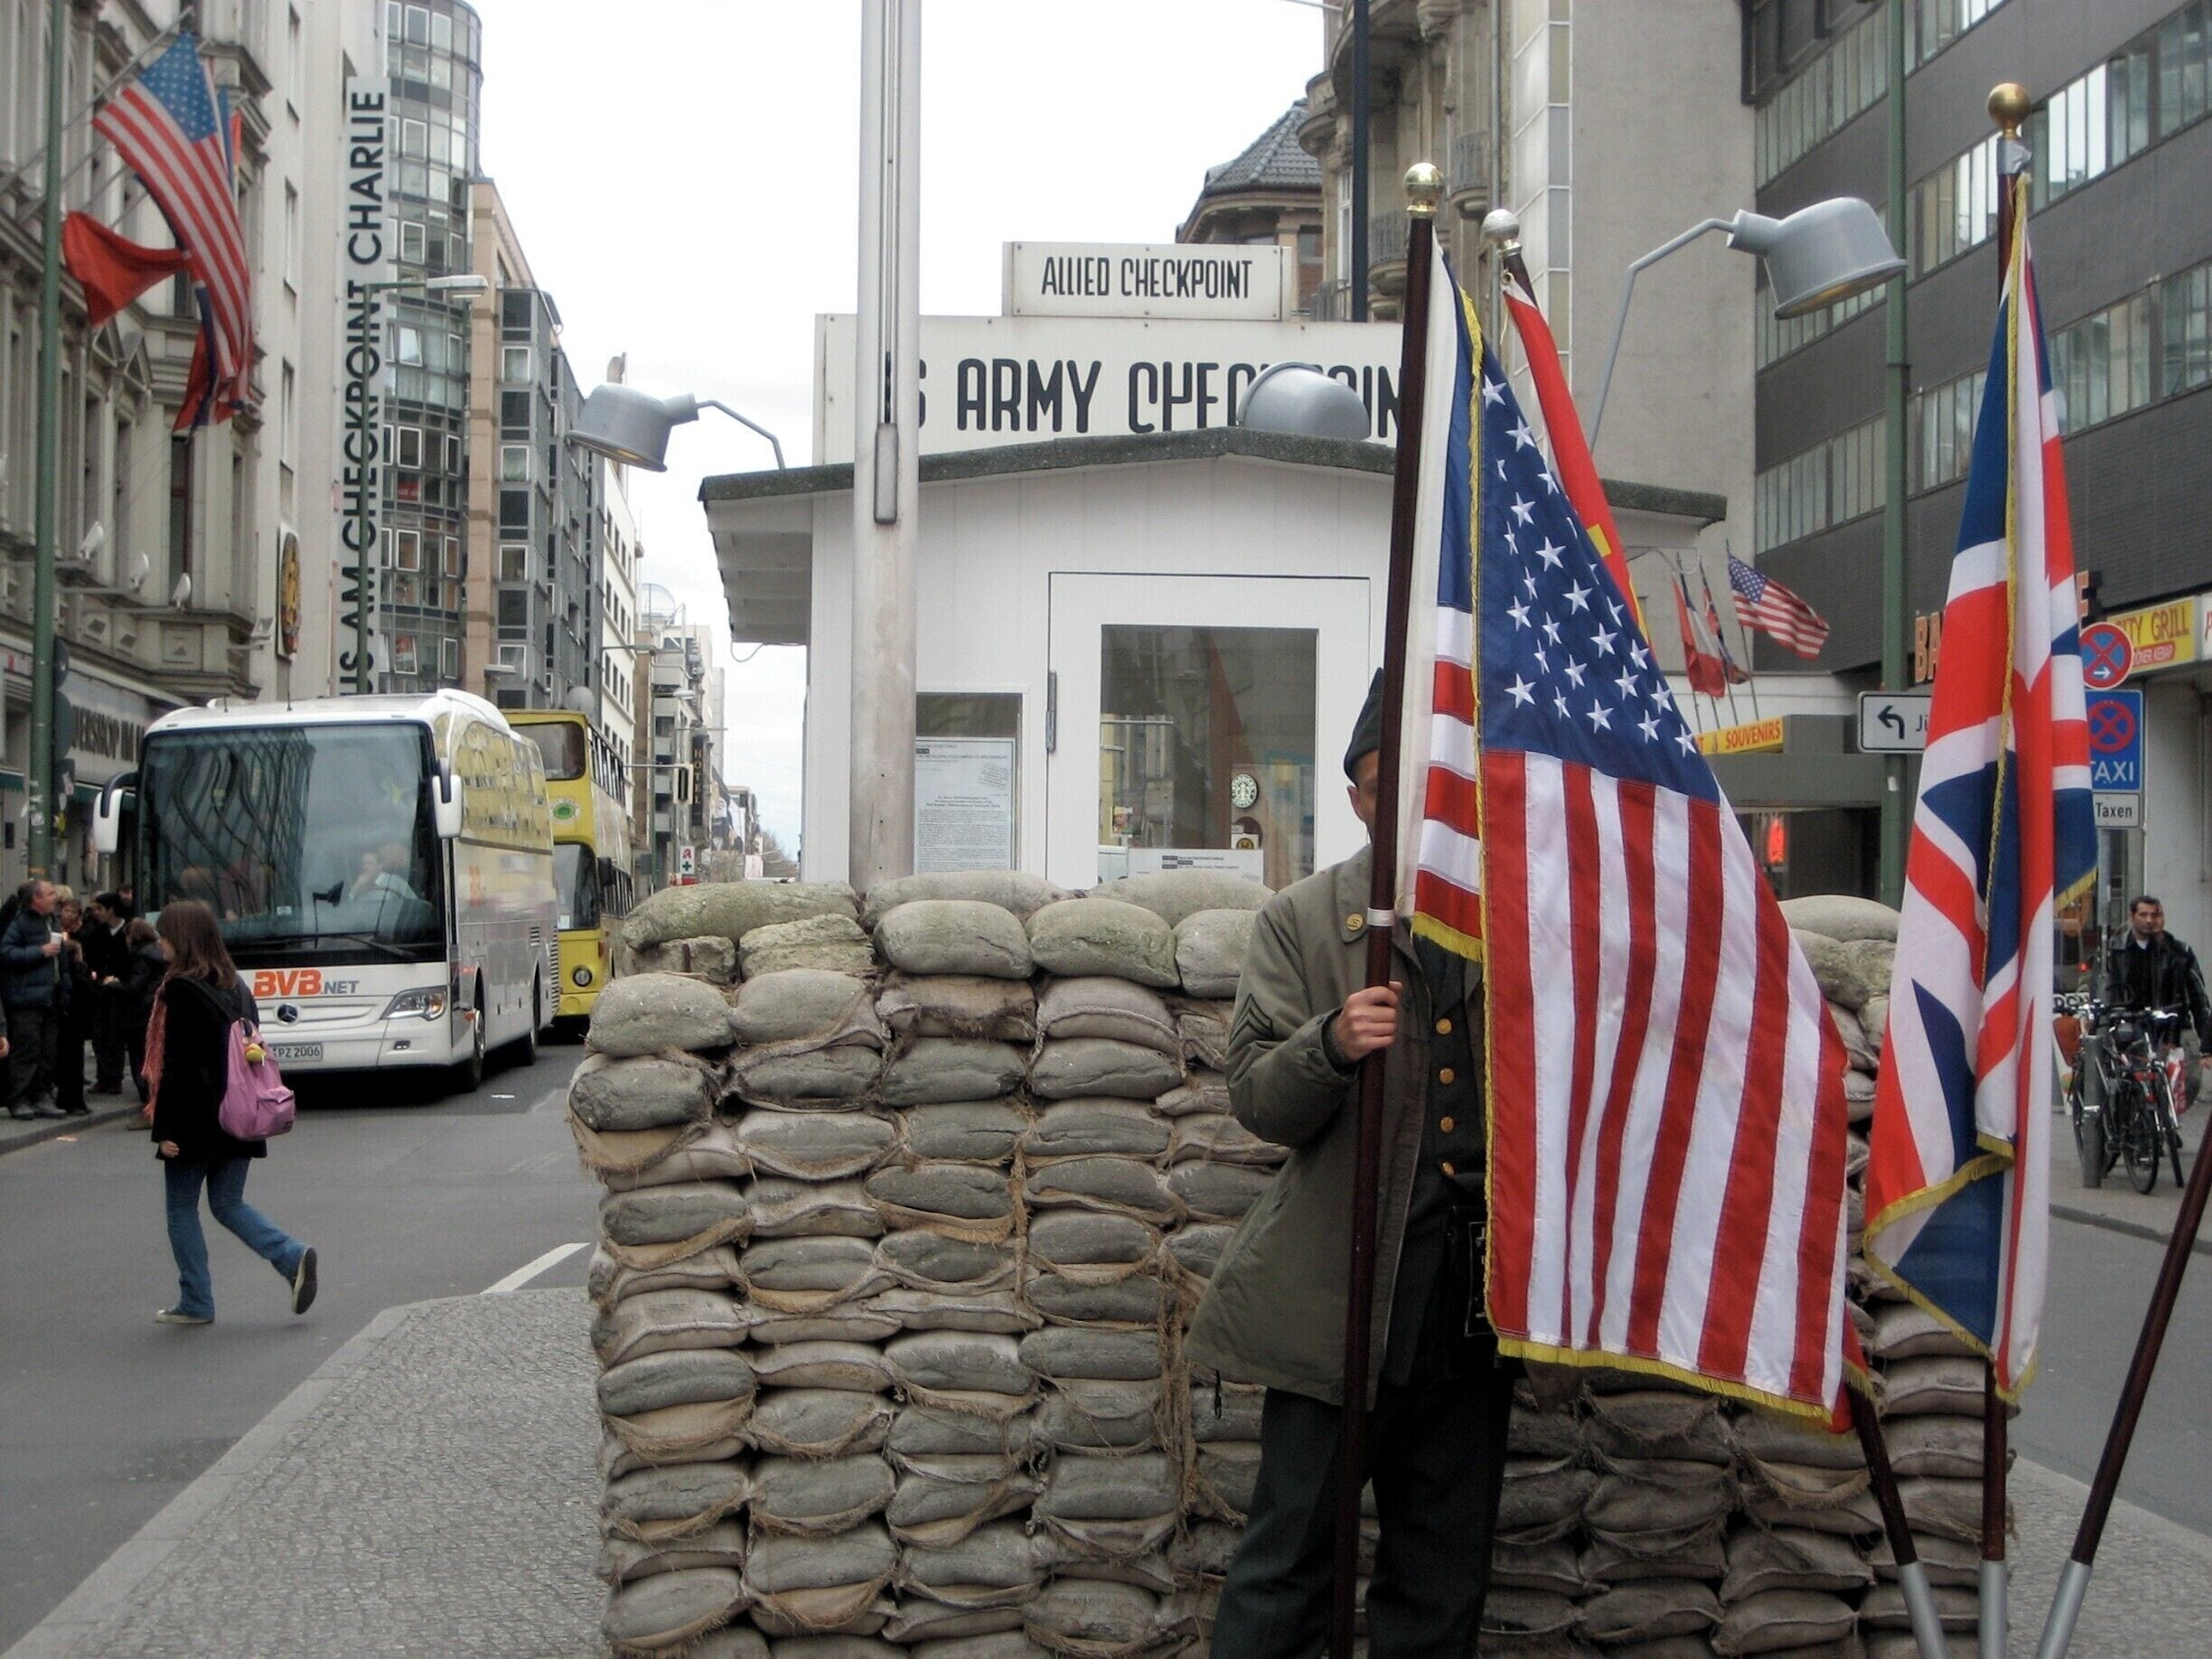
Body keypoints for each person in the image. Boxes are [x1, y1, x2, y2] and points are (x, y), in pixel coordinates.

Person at [1186, 673, 1516, 1658]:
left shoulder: (1520, 919)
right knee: (1288, 1566)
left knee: (1443, 1574)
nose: (1409, 802)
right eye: (1385, 783)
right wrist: (1329, 1044)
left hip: (1472, 1312)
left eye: (1428, 782)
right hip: (1343, 1296)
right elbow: (1257, 1097)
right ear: (1358, 798)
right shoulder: (1304, 920)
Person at [144, 899, 317, 1326]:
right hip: (240, 1114)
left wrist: (165, 1128)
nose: (160, 941)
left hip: (196, 1118)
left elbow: (177, 1066)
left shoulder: (181, 989)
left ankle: (196, 1301)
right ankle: (291, 1256)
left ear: (181, 939)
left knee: (181, 1208)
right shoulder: (236, 986)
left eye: (164, 934)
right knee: (227, 1203)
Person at [2104, 895, 2212, 1105]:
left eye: (2154, 915)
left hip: (2173, 1026)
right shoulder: (2115, 950)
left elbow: (2199, 998)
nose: (2149, 920)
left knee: (2187, 1082)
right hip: (2131, 1024)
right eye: (2143, 915)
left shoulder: (2178, 951)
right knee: (2130, 1082)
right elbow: (2104, 987)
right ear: (2131, 916)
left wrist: (2206, 1043)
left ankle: (2165, 1122)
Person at [2, 880, 67, 1120]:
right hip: (25, 997)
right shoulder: (19, 922)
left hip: (49, 995)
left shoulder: (53, 920)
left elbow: (62, 961)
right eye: (50, 893)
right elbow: (5, 953)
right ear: (36, 899)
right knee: (26, 1050)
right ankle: (18, 1098)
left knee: (47, 1051)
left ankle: (41, 1095)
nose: (55, 897)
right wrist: (40, 951)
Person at [82, 892, 133, 1095]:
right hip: (100, 990)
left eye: (99, 909)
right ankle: (103, 1076)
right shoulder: (98, 932)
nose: (96, 913)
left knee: (115, 1035)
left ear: (111, 910)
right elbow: (91, 959)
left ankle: (115, 1077)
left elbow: (132, 960)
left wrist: (122, 979)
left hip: (119, 991)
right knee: (99, 1034)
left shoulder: (128, 931)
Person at [120, 917, 166, 1102]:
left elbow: (134, 987)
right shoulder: (159, 953)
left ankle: (148, 1099)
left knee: (140, 1057)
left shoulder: (141, 957)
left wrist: (114, 985)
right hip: (155, 1010)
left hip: (141, 1012)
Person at [53, 896, 92, 1116]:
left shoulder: (83, 935)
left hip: (70, 1012)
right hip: (72, 1012)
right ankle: (72, 1100)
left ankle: (69, 1098)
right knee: (71, 1056)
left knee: (69, 1055)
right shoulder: (77, 969)